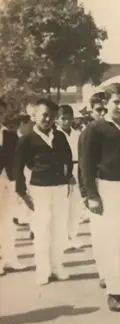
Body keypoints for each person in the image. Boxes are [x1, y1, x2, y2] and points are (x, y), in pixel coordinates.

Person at [80, 83, 120, 312]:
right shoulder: (94, 130)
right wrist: (91, 195)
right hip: (107, 189)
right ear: (105, 104)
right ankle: (113, 290)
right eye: (116, 102)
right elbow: (86, 165)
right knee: (111, 240)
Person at [15, 99, 73, 284]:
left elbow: (68, 158)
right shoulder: (27, 139)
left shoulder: (60, 136)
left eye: (51, 116)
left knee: (59, 230)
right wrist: (23, 192)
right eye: (44, 115)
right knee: (41, 230)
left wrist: (68, 175)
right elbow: (18, 168)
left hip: (59, 188)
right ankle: (43, 269)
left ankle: (57, 266)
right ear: (35, 116)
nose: (48, 119)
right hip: (39, 189)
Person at [0, 106, 26, 275]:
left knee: (8, 222)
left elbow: (16, 162)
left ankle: (10, 257)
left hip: (5, 182)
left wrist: (17, 184)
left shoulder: (9, 135)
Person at [57, 105, 83, 250]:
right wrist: (67, 174)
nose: (66, 122)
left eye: (69, 118)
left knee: (76, 206)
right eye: (63, 119)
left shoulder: (77, 134)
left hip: (77, 168)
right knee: (63, 206)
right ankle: (63, 237)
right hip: (62, 171)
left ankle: (72, 235)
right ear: (57, 120)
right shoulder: (55, 134)